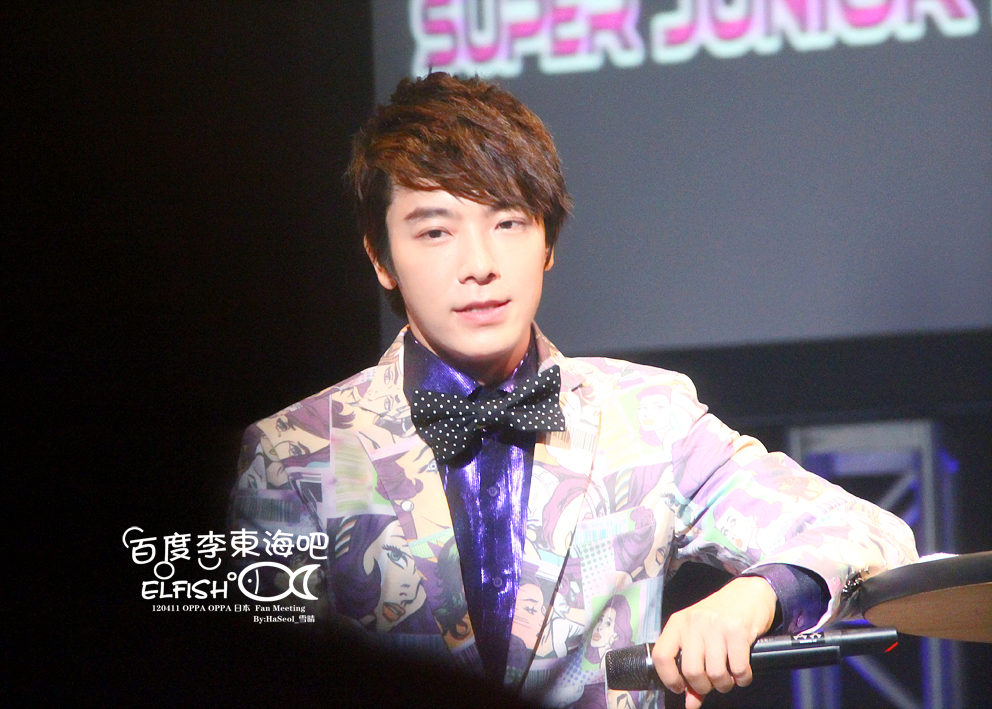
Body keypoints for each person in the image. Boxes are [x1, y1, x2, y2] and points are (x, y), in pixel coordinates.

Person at [229, 72, 918, 708]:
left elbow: (873, 533)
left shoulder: (650, 418)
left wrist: (756, 595)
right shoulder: (294, 454)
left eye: (508, 223)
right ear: (381, 257)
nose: (479, 265)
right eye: (435, 231)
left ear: (548, 242)